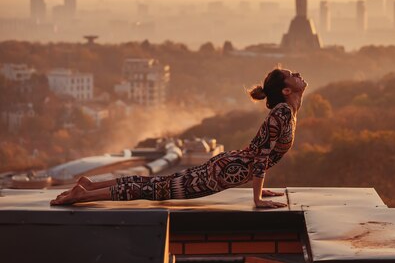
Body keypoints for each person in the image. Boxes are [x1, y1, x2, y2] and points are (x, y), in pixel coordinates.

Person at [50, 68, 307, 209]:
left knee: (158, 183)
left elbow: (262, 154)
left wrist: (260, 188)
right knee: (156, 190)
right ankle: (81, 196)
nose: (298, 73)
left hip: (229, 167)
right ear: (286, 90)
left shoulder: (288, 110)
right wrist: (257, 199)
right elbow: (261, 157)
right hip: (225, 172)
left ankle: (90, 185)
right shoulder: (282, 112)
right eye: (293, 75)